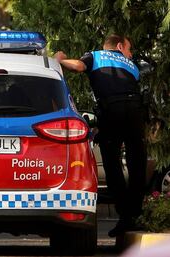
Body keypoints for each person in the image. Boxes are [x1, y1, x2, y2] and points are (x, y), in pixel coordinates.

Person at [55, 34, 147, 237]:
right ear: (120, 46)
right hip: (134, 110)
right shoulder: (132, 66)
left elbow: (78, 67)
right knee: (137, 163)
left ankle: (125, 217)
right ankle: (135, 215)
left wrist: (59, 59)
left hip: (111, 110)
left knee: (112, 163)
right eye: (129, 49)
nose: (129, 54)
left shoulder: (95, 56)